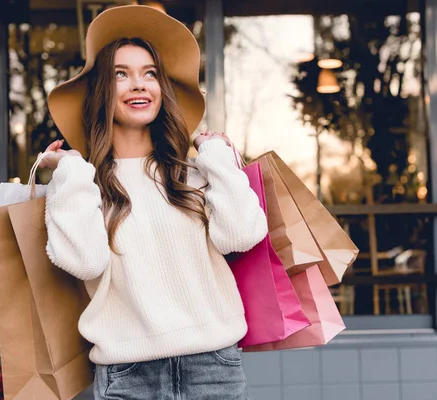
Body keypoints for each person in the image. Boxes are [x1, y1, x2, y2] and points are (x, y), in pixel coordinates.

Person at [39, 5, 268, 399]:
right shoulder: (83, 186)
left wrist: (216, 156)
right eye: (120, 75)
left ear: (162, 88)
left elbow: (242, 236)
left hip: (212, 367)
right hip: (128, 375)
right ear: (101, 91)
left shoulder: (194, 174)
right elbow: (85, 262)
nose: (138, 84)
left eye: (149, 74)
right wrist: (73, 171)